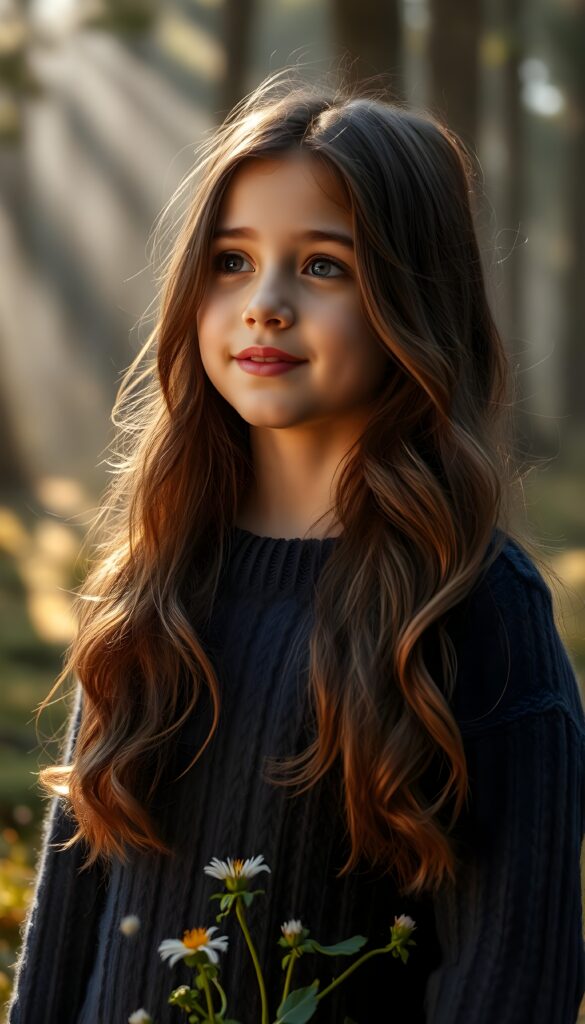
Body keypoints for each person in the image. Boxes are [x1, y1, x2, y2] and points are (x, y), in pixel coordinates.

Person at [7, 69, 585, 1024]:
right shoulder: (154, 584)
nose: (264, 303)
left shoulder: (472, 607)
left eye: (323, 265)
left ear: (412, 302)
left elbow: (507, 982)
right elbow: (65, 941)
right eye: (231, 261)